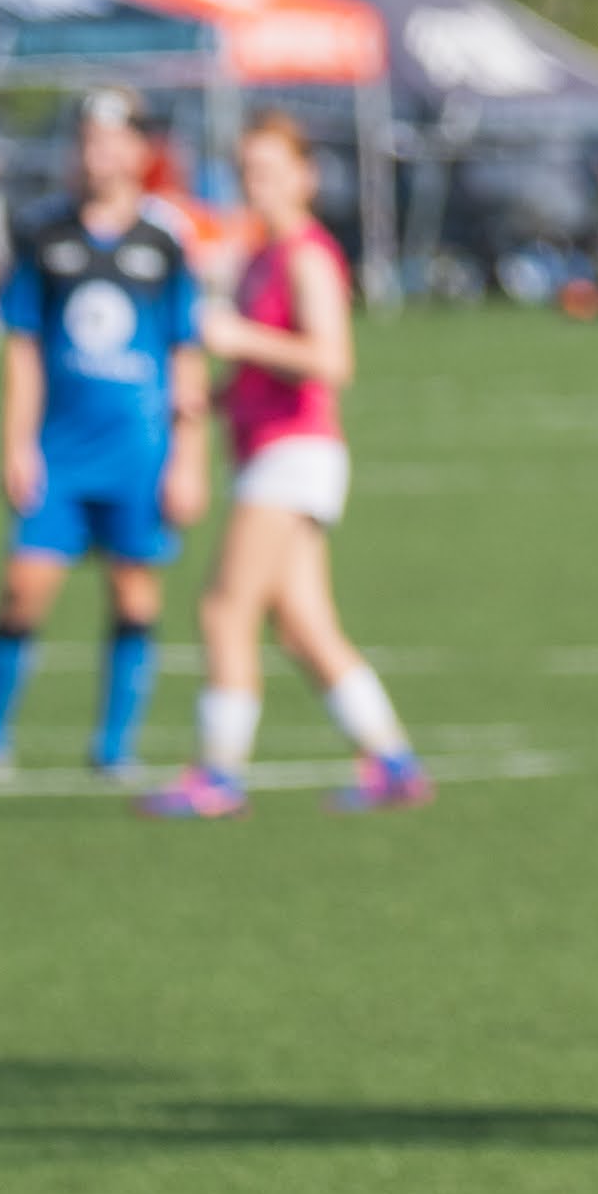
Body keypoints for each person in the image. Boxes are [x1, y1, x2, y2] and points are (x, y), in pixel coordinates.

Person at [0, 90, 202, 787]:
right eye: (86, 142)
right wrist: (16, 444)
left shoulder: (165, 238)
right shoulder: (43, 232)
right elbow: (23, 346)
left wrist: (188, 459)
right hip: (60, 454)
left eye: (111, 141)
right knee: (22, 591)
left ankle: (113, 749)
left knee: (134, 597)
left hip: (138, 452)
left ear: (138, 151)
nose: (97, 155)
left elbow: (186, 353)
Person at [134, 116, 430, 818]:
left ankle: (218, 773)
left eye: (269, 169)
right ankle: (391, 762)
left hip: (293, 451)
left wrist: (241, 338)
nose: (254, 184)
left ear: (305, 175)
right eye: (247, 171)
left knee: (224, 609)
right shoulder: (261, 256)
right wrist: (210, 396)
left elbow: (332, 360)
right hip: (271, 447)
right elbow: (262, 369)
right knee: (302, 624)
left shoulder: (305, 255)